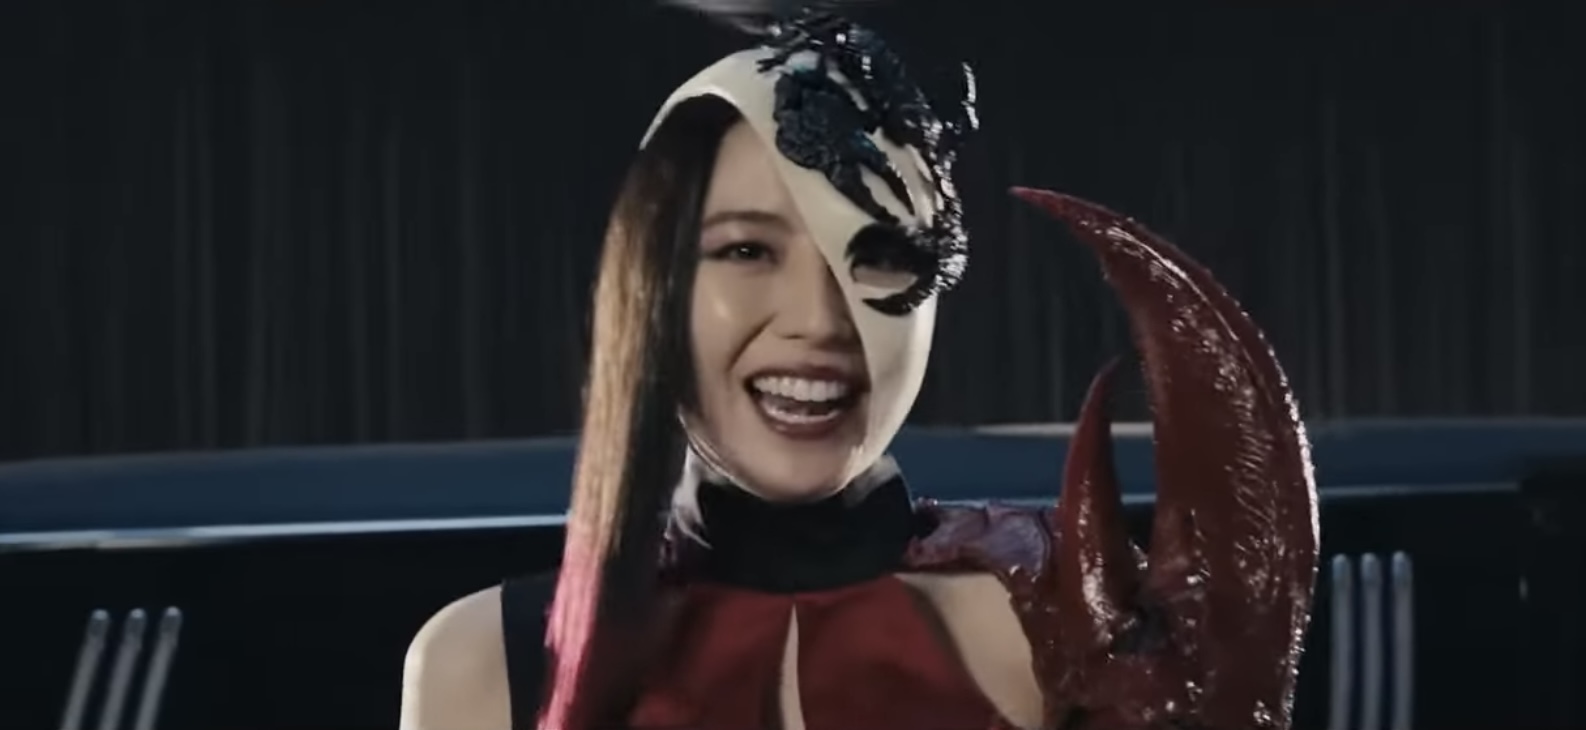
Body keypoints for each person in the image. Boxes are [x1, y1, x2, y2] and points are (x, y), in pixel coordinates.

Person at [400, 5, 1319, 730]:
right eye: (747, 251)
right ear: (653, 284)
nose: (818, 320)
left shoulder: (1061, 617)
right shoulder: (486, 668)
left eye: (877, 256)